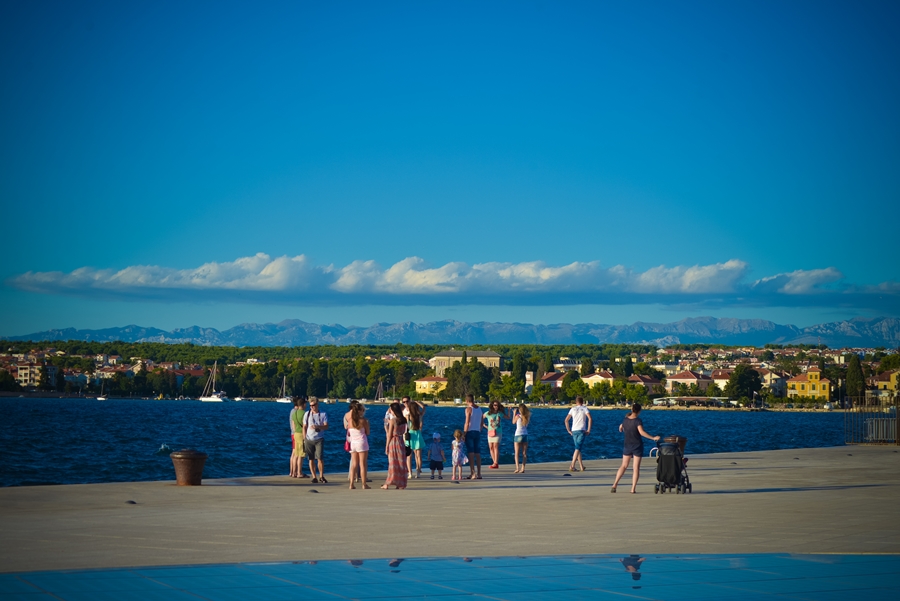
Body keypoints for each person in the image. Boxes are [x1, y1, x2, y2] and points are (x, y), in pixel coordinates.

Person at [611, 404, 660, 494]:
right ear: (639, 411)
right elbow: (641, 432)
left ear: (631, 409)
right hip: (637, 446)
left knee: (624, 465)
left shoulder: (625, 420)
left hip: (627, 445)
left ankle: (615, 484)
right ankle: (633, 489)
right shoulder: (638, 421)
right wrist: (653, 438)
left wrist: (621, 427)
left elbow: (621, 427)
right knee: (636, 468)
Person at [381, 402, 408, 490]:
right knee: (400, 463)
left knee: (392, 463)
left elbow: (389, 435)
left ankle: (388, 483)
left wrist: (386, 446)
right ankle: (400, 483)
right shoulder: (404, 420)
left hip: (393, 441)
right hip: (401, 441)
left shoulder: (393, 421)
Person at [303, 396, 329, 484]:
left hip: (319, 439)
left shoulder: (323, 414)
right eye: (310, 405)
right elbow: (304, 426)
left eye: (313, 405)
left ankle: (321, 476)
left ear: (317, 404)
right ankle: (314, 477)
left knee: (320, 458)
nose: (312, 407)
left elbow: (326, 426)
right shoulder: (307, 414)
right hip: (309, 439)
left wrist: (318, 426)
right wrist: (304, 438)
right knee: (311, 459)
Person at [564, 396, 592, 471]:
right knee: (577, 448)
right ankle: (572, 465)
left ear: (576, 402)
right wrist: (588, 429)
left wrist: (569, 430)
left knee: (578, 448)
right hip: (581, 430)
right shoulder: (584, 408)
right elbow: (590, 418)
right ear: (582, 402)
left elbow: (566, 420)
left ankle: (581, 466)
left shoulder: (572, 409)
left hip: (574, 430)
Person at [347, 403, 370, 490]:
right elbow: (367, 432)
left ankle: (351, 484)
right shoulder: (363, 421)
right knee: (362, 464)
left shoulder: (350, 421)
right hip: (362, 442)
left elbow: (349, 432)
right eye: (363, 410)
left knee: (354, 464)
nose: (364, 412)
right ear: (359, 411)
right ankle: (364, 484)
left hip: (353, 443)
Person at [462, 394, 483, 479]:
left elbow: (467, 422)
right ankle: (479, 473)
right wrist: (479, 430)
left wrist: (464, 433)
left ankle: (472, 473)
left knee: (471, 453)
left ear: (467, 401)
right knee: (477, 453)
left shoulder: (468, 409)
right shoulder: (479, 409)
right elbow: (482, 422)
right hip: (477, 431)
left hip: (470, 432)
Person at [484, 401, 508, 469]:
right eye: (494, 405)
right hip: (490, 432)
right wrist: (484, 426)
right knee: (491, 447)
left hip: (498, 432)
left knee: (495, 446)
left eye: (497, 405)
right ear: (492, 406)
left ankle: (496, 462)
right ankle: (494, 461)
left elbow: (508, 417)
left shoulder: (500, 414)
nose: (496, 406)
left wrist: (509, 411)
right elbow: (481, 418)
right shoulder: (488, 413)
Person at [405, 401, 425, 478]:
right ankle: (418, 472)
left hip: (411, 434)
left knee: (410, 455)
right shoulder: (419, 415)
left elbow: (407, 426)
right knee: (418, 455)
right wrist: (418, 402)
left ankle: (410, 473)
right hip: (418, 434)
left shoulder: (408, 416)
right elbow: (424, 407)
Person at [289, 397, 308, 478]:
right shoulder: (304, 413)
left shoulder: (294, 413)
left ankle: (293, 472)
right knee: (300, 454)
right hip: (301, 434)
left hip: (295, 433)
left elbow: (293, 426)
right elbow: (306, 425)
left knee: (295, 453)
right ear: (303, 404)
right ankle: (299, 472)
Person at [343, 400, 361, 483]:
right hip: (357, 436)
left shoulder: (346, 415)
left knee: (352, 456)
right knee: (358, 457)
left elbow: (345, 426)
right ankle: (355, 475)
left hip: (349, 435)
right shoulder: (356, 415)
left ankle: (351, 475)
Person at [511, 403, 530, 473]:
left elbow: (513, 422)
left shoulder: (517, 416)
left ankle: (517, 468)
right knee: (524, 453)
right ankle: (523, 468)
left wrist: (514, 413)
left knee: (517, 453)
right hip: (525, 434)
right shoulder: (527, 417)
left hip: (518, 434)